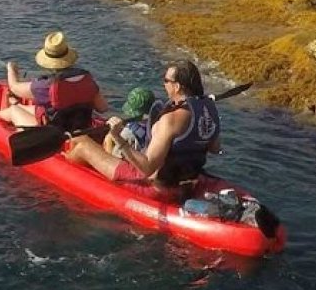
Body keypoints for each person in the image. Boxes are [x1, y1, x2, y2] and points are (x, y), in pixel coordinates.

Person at [64, 59, 220, 197]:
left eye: (166, 81)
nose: (163, 84)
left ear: (177, 86)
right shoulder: (210, 111)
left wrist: (117, 136)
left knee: (82, 143)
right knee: (83, 140)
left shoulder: (170, 120)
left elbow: (147, 169)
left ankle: (62, 164)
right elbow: (215, 148)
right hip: (188, 183)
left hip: (157, 188)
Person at [0, 32, 109, 131]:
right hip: (82, 126)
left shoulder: (45, 86)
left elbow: (14, 87)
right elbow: (102, 108)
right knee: (24, 107)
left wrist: (10, 69)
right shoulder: (87, 79)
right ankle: (16, 105)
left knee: (13, 110)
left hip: (52, 134)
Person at [103, 87, 156, 158]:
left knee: (109, 138)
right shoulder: (159, 124)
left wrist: (110, 136)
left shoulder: (128, 134)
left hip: (134, 162)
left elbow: (113, 161)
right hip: (148, 152)